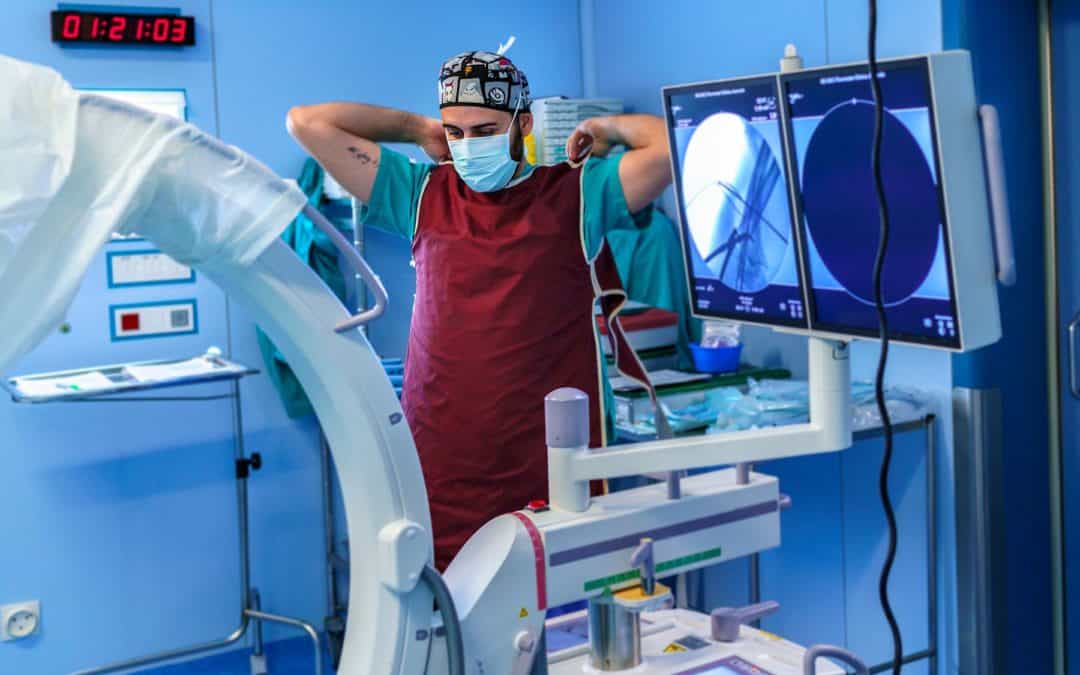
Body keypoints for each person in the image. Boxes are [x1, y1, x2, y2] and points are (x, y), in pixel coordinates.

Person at [288, 51, 672, 570]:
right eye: (456, 133)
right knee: (450, 623)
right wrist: (415, 127)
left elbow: (673, 144)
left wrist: (604, 127)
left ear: (524, 124)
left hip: (550, 462)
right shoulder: (421, 193)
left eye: (485, 130)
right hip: (445, 462)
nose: (468, 147)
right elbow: (307, 123)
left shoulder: (577, 193)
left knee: (558, 618)